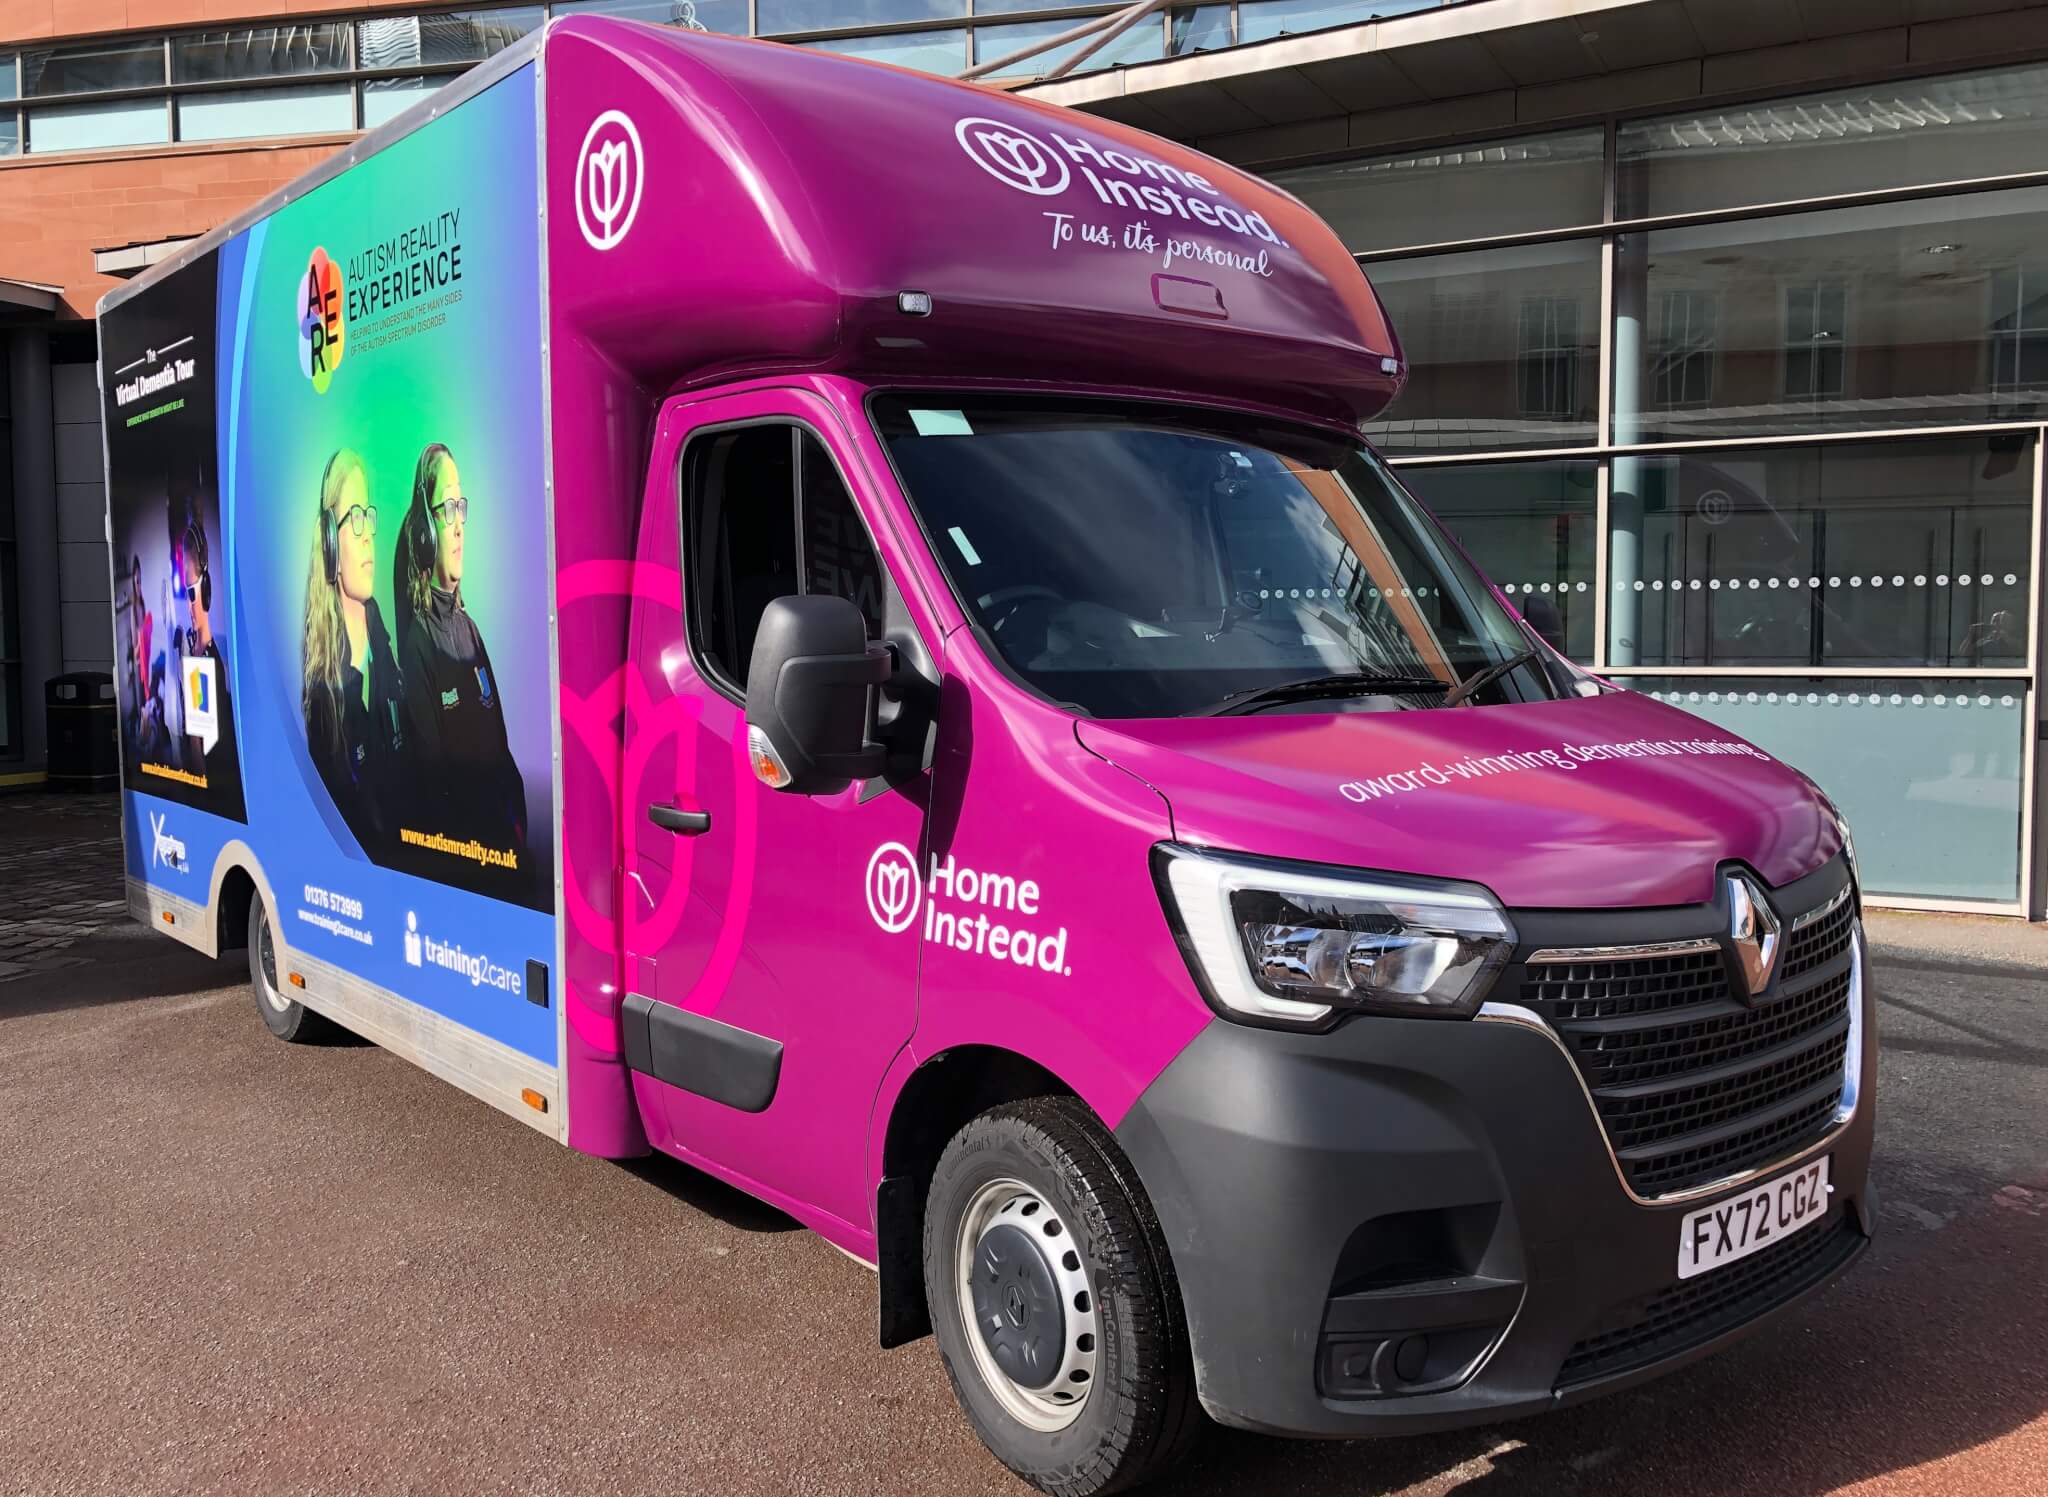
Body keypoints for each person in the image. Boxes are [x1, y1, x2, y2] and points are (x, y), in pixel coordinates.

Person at [394, 443, 528, 869]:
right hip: (470, 865)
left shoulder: (470, 631)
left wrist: (520, 844)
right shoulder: (419, 645)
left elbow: (503, 754)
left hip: (505, 857)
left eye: (460, 506)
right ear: (425, 531)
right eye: (445, 508)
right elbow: (436, 789)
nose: (458, 525)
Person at [302, 449, 406, 856]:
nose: (368, 534)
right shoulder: (321, 678)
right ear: (330, 543)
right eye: (354, 518)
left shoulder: (380, 633)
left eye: (369, 515)